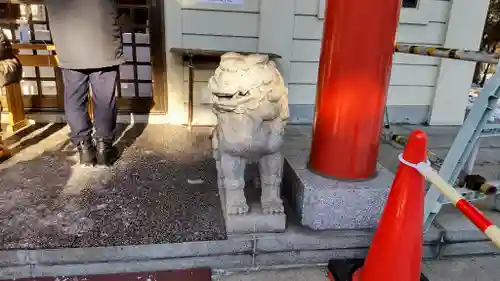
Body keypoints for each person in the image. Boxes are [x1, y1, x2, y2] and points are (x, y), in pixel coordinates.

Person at [19, 0, 124, 166]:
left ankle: (85, 150)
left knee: (75, 97)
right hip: (103, 36)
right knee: (104, 98)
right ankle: (104, 149)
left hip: (69, 41)